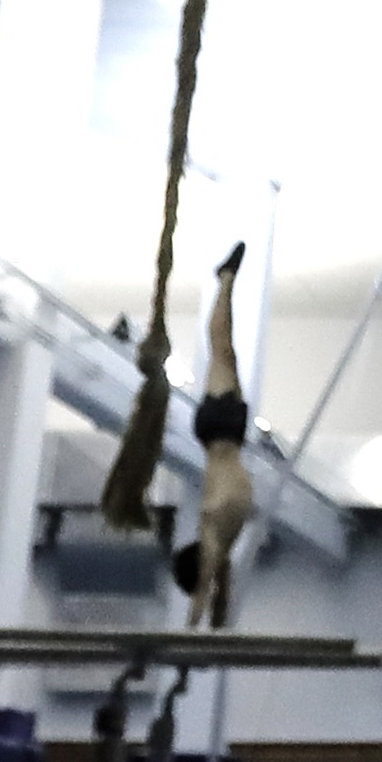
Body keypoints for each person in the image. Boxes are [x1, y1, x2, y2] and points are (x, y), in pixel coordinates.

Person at [160, 242, 256, 630]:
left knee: (222, 347)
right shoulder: (223, 550)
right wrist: (212, 640)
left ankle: (226, 280)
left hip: (221, 430)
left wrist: (187, 635)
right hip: (225, 436)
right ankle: (226, 281)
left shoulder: (214, 536)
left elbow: (205, 595)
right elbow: (221, 601)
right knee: (224, 349)